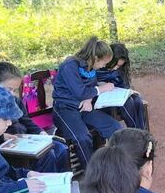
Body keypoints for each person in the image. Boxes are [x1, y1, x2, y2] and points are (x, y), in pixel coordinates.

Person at [0, 61, 70, 173]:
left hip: (24, 139)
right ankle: (47, 181)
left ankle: (62, 179)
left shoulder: (15, 100)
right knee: (48, 157)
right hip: (8, 148)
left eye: (14, 90)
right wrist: (1, 137)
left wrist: (40, 132)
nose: (12, 94)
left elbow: (25, 119)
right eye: (8, 89)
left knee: (61, 148)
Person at [52, 37, 122, 169]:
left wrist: (88, 99)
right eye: (103, 63)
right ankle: (91, 172)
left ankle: (118, 162)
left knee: (114, 126)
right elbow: (80, 92)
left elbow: (90, 86)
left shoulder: (90, 65)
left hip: (85, 106)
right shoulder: (69, 66)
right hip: (65, 109)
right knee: (83, 137)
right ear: (95, 58)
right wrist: (101, 89)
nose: (104, 66)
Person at [97, 43, 146, 130]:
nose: (116, 68)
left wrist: (130, 92)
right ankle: (136, 132)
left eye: (119, 66)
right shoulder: (99, 67)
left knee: (137, 100)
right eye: (115, 65)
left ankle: (142, 132)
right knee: (128, 102)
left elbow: (123, 85)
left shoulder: (120, 70)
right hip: (104, 102)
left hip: (118, 96)